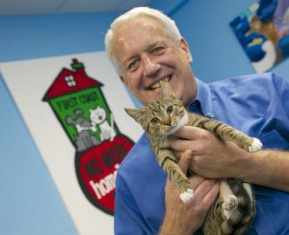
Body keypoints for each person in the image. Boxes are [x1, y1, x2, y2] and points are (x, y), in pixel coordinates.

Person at [104, 7, 289, 235]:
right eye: (133, 64)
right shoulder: (130, 179)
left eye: (157, 49)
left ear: (185, 49)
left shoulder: (267, 91)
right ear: (126, 82)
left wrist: (242, 162)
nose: (150, 68)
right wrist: (175, 227)